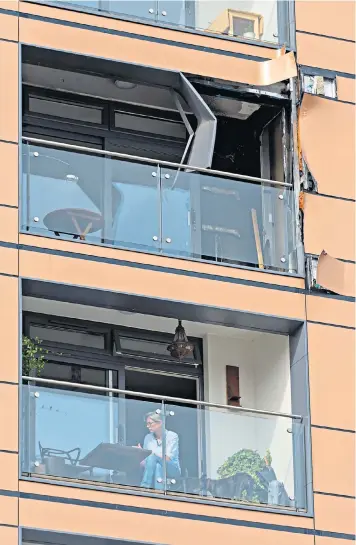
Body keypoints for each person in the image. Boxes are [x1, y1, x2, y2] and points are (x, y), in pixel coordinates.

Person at [139, 411, 181, 490]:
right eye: (147, 423)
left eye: (150, 423)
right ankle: (159, 493)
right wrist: (140, 454)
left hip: (172, 467)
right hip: (154, 468)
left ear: (160, 423)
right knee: (158, 466)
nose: (147, 426)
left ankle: (144, 487)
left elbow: (168, 458)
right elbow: (146, 463)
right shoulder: (148, 437)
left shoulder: (172, 436)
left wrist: (152, 455)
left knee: (153, 456)